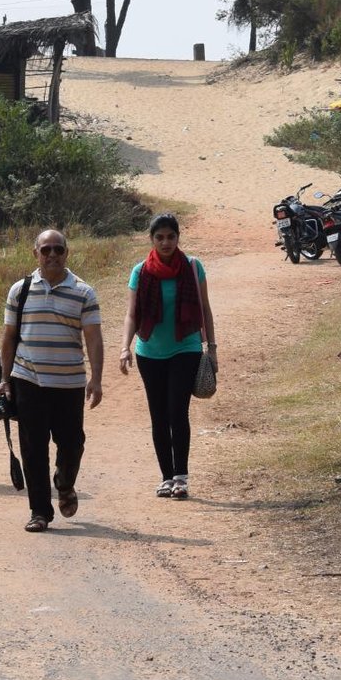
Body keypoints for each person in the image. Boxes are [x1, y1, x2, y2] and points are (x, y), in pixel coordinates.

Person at [0, 229, 104, 533]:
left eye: (58, 249)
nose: (52, 255)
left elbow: (93, 339)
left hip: (69, 383)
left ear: (67, 253)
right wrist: (5, 380)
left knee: (72, 444)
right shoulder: (20, 290)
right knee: (33, 448)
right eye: (46, 250)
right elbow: (9, 338)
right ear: (35, 254)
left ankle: (65, 482)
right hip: (28, 380)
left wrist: (96, 379)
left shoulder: (84, 292)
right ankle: (39, 511)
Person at [119, 212, 217, 500]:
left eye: (171, 237)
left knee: (177, 411)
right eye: (159, 237)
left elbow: (206, 310)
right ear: (151, 240)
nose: (165, 242)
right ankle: (165, 477)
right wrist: (125, 347)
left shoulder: (193, 267)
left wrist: (212, 348)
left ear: (178, 238)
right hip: (149, 352)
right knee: (158, 415)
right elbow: (131, 314)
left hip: (184, 348)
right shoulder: (140, 271)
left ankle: (181, 477)